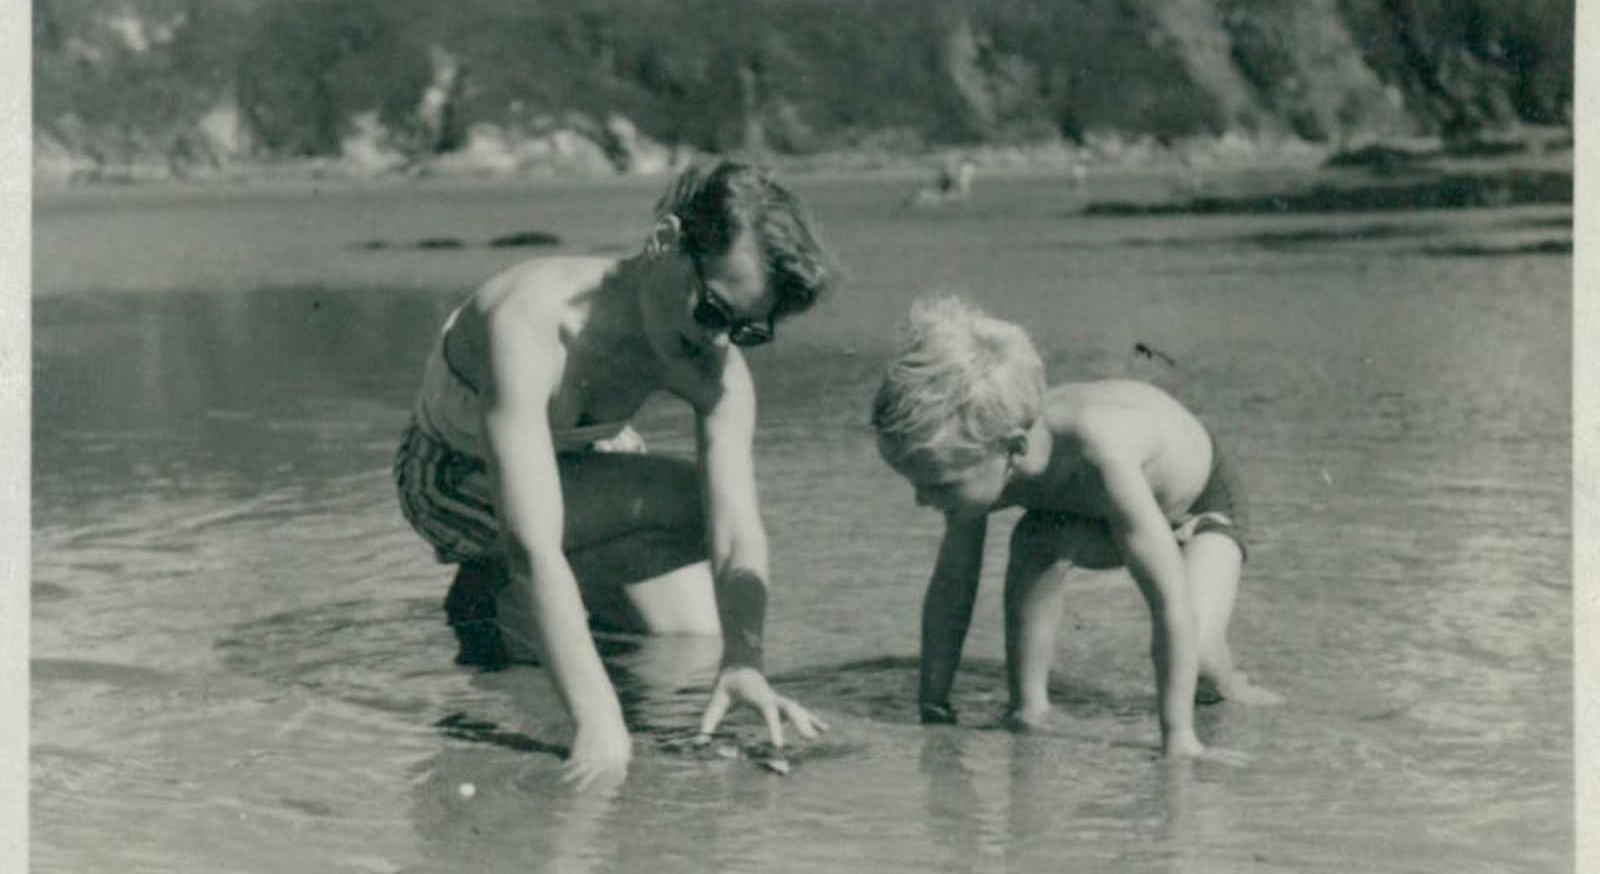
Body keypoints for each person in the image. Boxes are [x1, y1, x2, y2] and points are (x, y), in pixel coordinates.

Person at [393, 160, 837, 786]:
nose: (720, 341)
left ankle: (523, 614)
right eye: (712, 311)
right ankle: (496, 598)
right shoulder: (530, 320)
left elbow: (737, 532)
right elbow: (532, 541)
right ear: (665, 242)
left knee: (693, 637)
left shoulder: (713, 361)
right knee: (659, 533)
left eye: (748, 329)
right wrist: (598, 720)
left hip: (582, 472)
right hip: (452, 479)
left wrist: (745, 661)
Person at [870, 295, 1280, 758]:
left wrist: (1178, 737)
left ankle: (1229, 682)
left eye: (939, 485)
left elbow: (1168, 600)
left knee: (1201, 660)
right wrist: (934, 705)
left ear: (1012, 447)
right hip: (1094, 512)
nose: (922, 499)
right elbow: (952, 590)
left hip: (1199, 502)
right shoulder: (984, 451)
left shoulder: (1099, 451)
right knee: (1035, 537)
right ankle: (1028, 709)